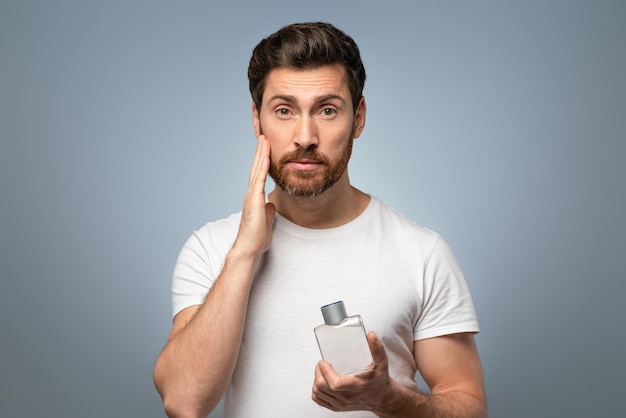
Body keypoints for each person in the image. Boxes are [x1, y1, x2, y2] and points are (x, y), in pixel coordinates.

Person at [153, 22, 486, 418]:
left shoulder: (422, 253)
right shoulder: (211, 249)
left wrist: (387, 399)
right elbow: (183, 401)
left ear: (358, 118)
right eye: (284, 110)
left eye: (327, 110)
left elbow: (469, 406)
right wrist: (244, 253)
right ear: (257, 121)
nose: (305, 135)